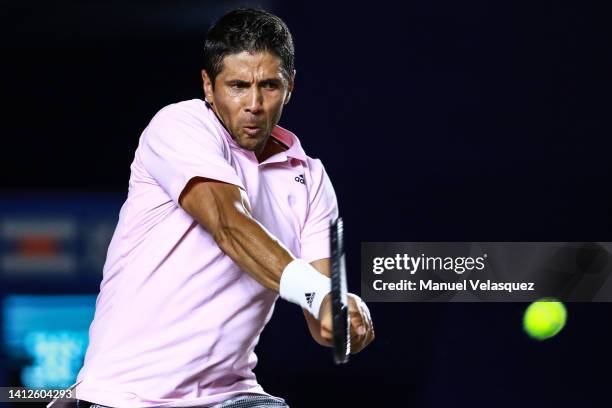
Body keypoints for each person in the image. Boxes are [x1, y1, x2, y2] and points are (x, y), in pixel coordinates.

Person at [69, 8, 374, 408]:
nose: (254, 104)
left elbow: (321, 317)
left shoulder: (310, 179)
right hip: (126, 396)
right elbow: (229, 226)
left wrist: (344, 318)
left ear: (291, 87)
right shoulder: (180, 125)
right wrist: (320, 294)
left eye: (269, 85)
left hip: (230, 395)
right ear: (208, 86)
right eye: (237, 86)